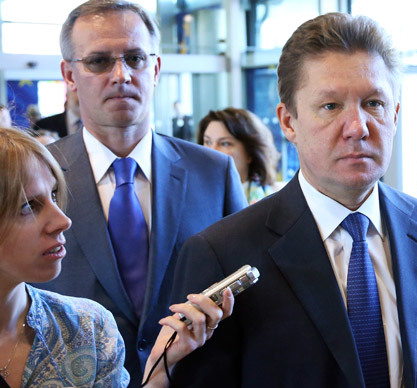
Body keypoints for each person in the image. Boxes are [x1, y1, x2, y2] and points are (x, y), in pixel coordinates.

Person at [170, 12, 417, 387]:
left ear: (395, 115)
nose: (358, 127)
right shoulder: (224, 253)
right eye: (331, 106)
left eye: (373, 103)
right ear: (289, 122)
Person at [36, 1, 247, 385]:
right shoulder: (35, 176)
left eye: (135, 58)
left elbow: (243, 298)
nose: (121, 75)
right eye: (99, 61)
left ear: (157, 68)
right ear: (69, 74)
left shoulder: (213, 173)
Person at [0, 127, 232, 388]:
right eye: (28, 206)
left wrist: (157, 371)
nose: (62, 220)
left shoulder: (86, 328)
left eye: (54, 195)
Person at [197, 107, 280, 204]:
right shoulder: (191, 193)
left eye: (224, 144)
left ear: (250, 153)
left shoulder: (274, 201)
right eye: (207, 142)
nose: (211, 151)